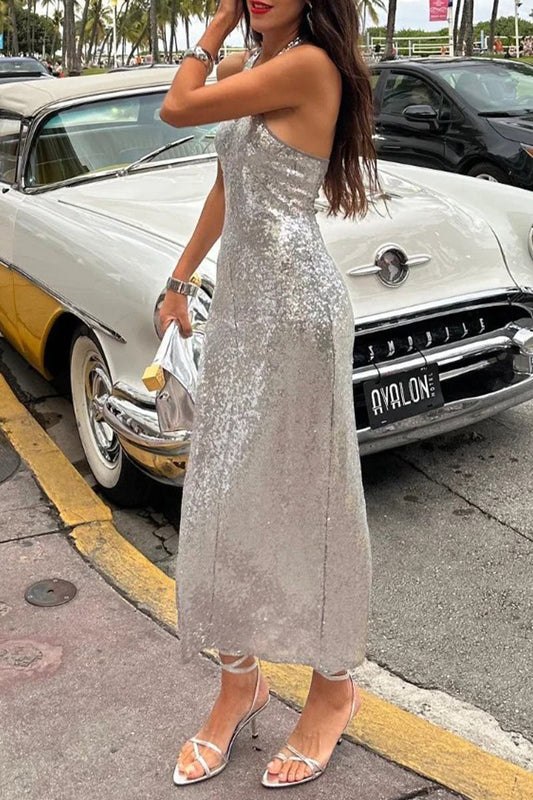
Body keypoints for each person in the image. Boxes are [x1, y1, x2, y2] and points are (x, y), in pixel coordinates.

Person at [159, 0, 375, 788]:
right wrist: (180, 277)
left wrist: (214, 27)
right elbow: (228, 184)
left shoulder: (308, 65)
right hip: (244, 313)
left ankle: (332, 688)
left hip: (298, 313)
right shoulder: (252, 70)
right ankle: (239, 683)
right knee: (220, 501)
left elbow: (176, 107)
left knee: (312, 504)